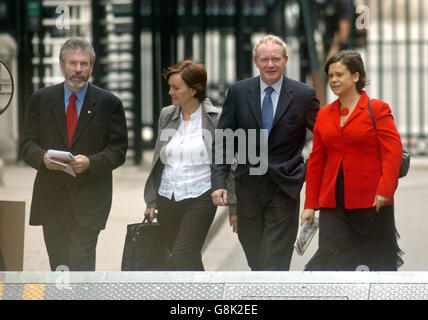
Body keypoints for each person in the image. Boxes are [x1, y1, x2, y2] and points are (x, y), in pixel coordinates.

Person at [211, 34, 320, 271]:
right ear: (256, 61)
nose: (270, 65)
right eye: (265, 59)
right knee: (256, 257)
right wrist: (219, 181)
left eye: (276, 59)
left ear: (286, 60)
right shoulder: (239, 93)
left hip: (284, 187)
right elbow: (224, 141)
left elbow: (324, 137)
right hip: (248, 188)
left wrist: (309, 170)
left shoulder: (303, 95)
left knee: (274, 259)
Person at [20, 37, 128, 271]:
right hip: (52, 199)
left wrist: (91, 162)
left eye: (84, 64)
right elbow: (27, 145)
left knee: (81, 265)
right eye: (73, 63)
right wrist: (43, 159)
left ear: (91, 67)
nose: (78, 70)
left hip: (90, 200)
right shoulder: (41, 100)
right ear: (61, 66)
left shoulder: (109, 103)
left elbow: (118, 151)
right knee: (59, 267)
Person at [300, 50, 404, 271]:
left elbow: (392, 153)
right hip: (333, 204)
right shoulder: (324, 114)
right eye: (330, 76)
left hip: (371, 201)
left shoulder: (377, 109)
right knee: (332, 261)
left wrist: (385, 189)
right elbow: (316, 162)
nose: (334, 80)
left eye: (340, 75)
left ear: (356, 76)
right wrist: (310, 204)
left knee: (375, 263)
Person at [144, 60, 228, 271]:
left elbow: (227, 161)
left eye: (176, 88)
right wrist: (152, 201)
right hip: (167, 197)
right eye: (170, 86)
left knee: (182, 254)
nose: (171, 92)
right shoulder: (167, 115)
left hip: (200, 197)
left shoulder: (215, 119)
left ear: (194, 90)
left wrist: (233, 204)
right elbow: (158, 159)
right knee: (186, 259)